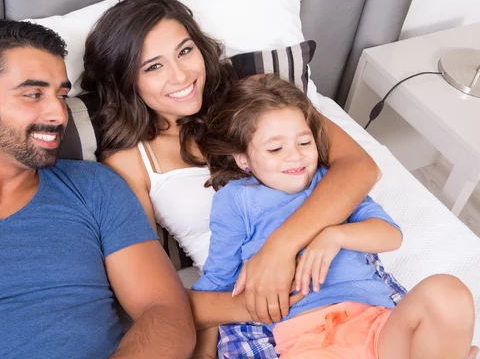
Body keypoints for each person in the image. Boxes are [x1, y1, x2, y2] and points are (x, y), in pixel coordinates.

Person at [81, 0, 393, 356]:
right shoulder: (130, 161)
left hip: (342, 275)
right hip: (249, 306)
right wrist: (256, 303)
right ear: (125, 80)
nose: (180, 75)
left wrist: (279, 249)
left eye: (184, 51)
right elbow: (152, 298)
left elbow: (360, 167)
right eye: (153, 66)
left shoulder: (255, 93)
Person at [0, 20, 195, 359]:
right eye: (33, 94)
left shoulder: (95, 188)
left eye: (61, 94)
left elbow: (165, 312)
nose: (59, 113)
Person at [193, 75, 477, 359]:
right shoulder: (235, 200)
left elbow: (391, 235)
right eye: (275, 149)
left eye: (304, 143)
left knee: (448, 294)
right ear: (243, 160)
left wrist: (335, 235)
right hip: (310, 339)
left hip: (376, 324)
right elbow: (218, 280)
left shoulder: (330, 183)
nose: (295, 156)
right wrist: (204, 353)